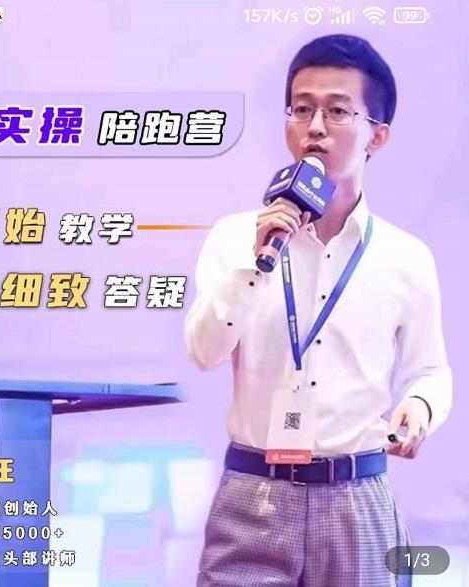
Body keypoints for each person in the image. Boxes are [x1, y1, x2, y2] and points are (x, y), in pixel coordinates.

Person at [184, 34, 452, 587]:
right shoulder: (236, 239)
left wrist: (421, 405)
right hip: (253, 492)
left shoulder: (406, 257)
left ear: (378, 135)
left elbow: (430, 369)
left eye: (337, 111)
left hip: (357, 495)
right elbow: (204, 351)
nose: (315, 128)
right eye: (301, 109)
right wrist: (255, 266)